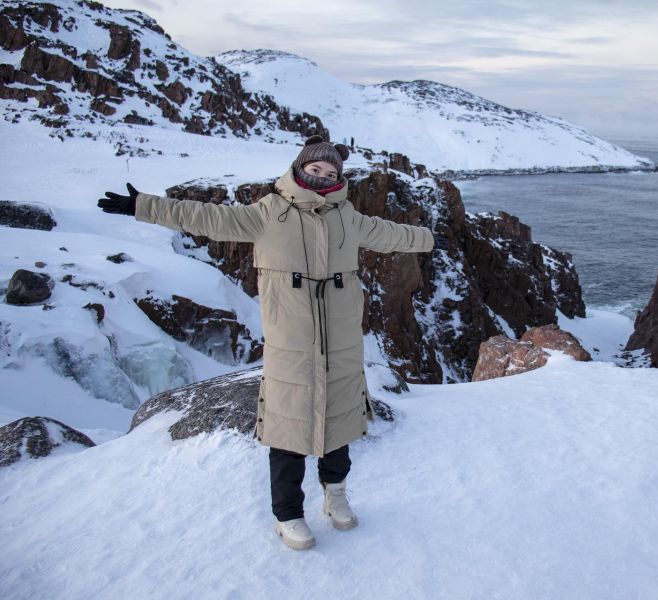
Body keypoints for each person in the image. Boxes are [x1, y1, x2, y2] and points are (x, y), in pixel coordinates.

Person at [98, 135, 437, 550]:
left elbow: (391, 235)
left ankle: (335, 496)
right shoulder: (267, 213)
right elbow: (207, 218)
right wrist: (142, 206)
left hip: (342, 341)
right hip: (291, 342)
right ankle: (288, 513)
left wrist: (427, 237)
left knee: (341, 421)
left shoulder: (348, 217)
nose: (323, 177)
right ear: (300, 168)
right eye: (316, 169)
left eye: (331, 173)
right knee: (288, 428)